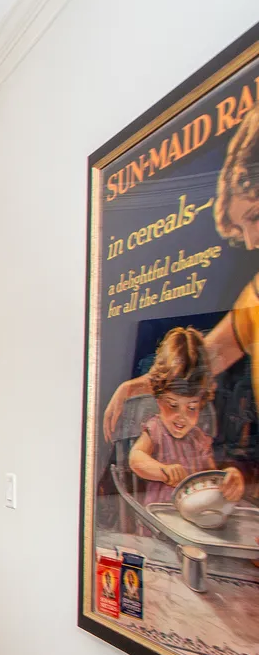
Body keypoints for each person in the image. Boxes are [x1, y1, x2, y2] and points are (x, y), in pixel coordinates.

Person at [103, 107, 259, 444]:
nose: (251, 242)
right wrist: (132, 387)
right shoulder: (254, 297)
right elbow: (200, 363)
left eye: (255, 216)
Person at [126, 326, 243, 503]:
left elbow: (211, 475)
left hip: (195, 513)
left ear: (201, 404)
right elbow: (136, 458)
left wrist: (228, 476)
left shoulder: (199, 439)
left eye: (192, 407)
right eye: (173, 405)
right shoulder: (156, 430)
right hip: (161, 514)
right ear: (159, 399)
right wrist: (163, 471)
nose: (182, 416)